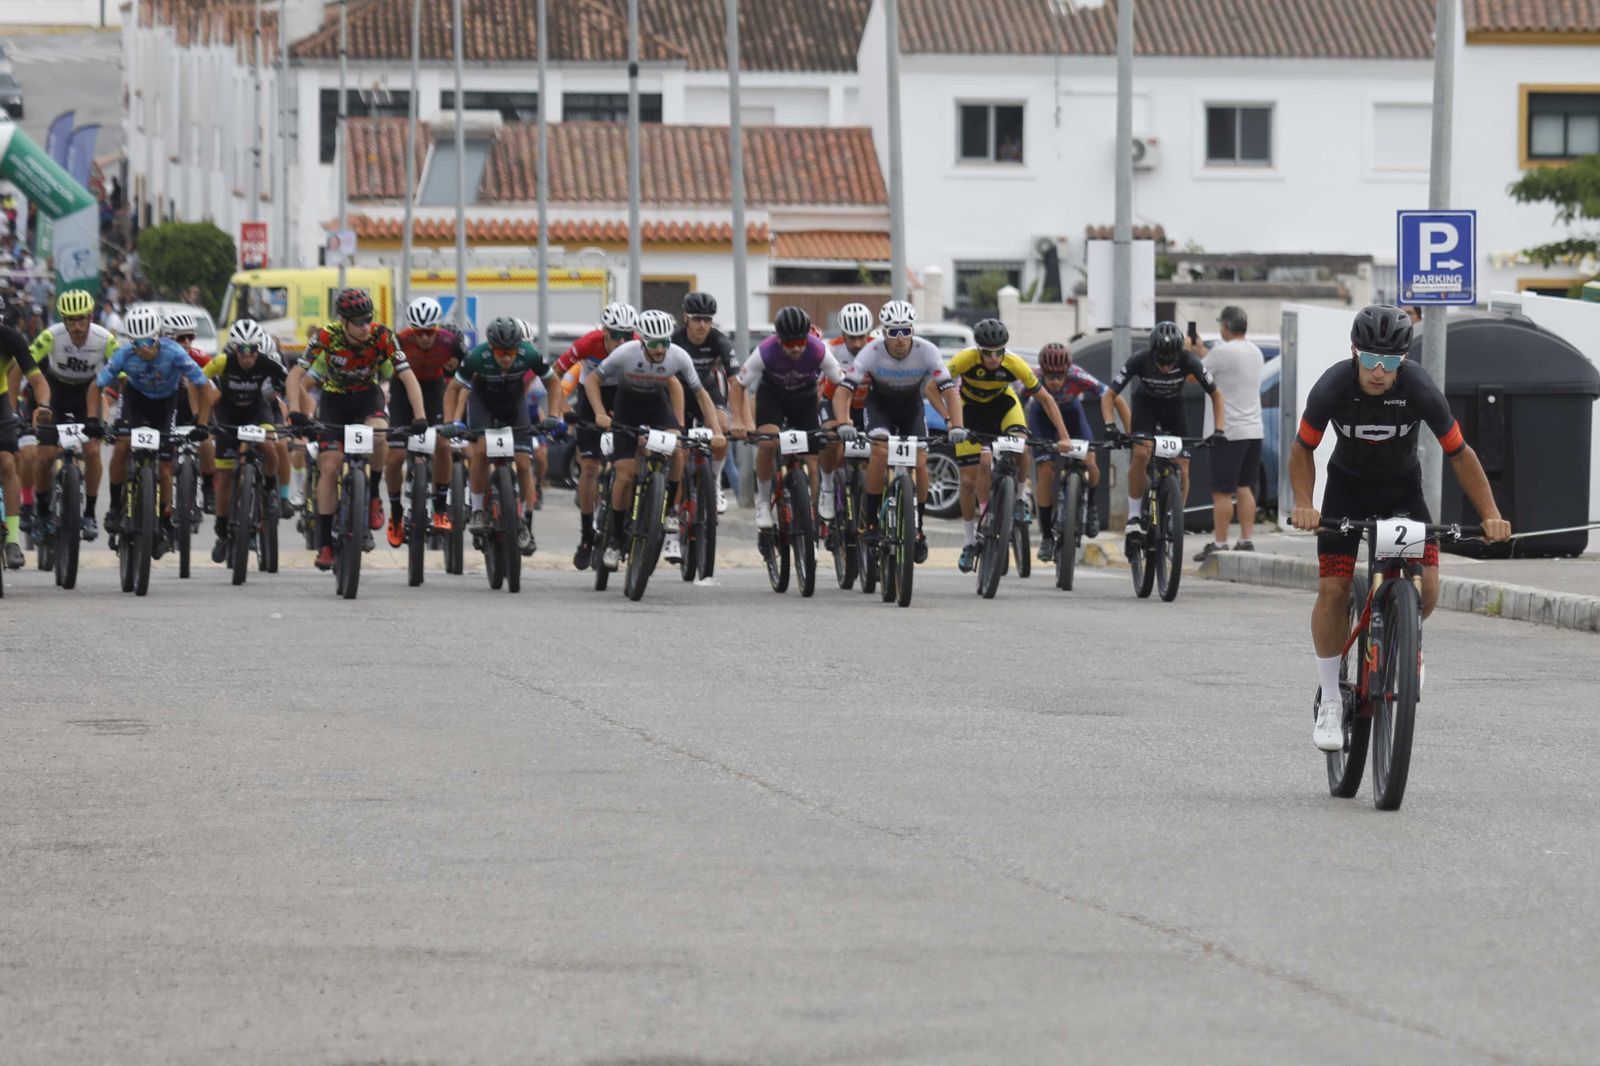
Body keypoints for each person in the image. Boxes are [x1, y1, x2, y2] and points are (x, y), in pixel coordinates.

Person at [1287, 305, 1510, 752]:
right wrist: (1305, 504)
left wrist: (1491, 513)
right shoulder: (1332, 386)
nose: (1377, 371)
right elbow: (1302, 449)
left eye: (1388, 362)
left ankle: (1405, 643)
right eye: (1369, 359)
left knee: (1428, 591)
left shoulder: (1419, 388)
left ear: (1403, 360)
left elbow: (1460, 453)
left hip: (1402, 492)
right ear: (1355, 352)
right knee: (1333, 589)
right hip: (1346, 491)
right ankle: (1330, 698)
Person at [287, 288, 426, 571]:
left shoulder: (382, 336)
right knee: (329, 467)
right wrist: (294, 411)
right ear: (343, 321)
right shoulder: (326, 336)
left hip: (367, 399)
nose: (365, 327)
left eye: (368, 320)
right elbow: (295, 375)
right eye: (359, 322)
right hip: (334, 402)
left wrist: (420, 415)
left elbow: (407, 375)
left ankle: (373, 494)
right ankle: (325, 544)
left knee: (379, 434)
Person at [585, 309, 724, 572]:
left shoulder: (678, 356)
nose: (660, 349)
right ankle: (615, 539)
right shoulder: (625, 353)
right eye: (654, 344)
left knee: (678, 449)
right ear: (642, 341)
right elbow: (593, 380)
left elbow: (702, 395)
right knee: (625, 475)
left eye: (664, 343)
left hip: (657, 407)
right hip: (627, 408)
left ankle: (670, 510)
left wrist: (716, 430)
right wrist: (600, 413)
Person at [831, 299, 964, 563]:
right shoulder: (871, 351)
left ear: (913, 330)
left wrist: (956, 424)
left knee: (921, 461)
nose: (900, 338)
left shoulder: (927, 351)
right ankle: (871, 523)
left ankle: (918, 528)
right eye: (893, 332)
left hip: (911, 409)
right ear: (884, 333)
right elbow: (844, 390)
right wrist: (844, 422)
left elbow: (949, 390)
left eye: (906, 330)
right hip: (879, 407)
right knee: (880, 452)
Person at [945, 318, 1074, 573]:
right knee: (970, 478)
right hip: (970, 411)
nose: (993, 358)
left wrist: (1064, 436)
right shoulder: (965, 359)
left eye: (998, 352)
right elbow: (937, 383)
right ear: (978, 350)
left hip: (1003, 406)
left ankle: (1020, 497)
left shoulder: (1014, 363)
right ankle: (970, 540)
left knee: (1022, 447)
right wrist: (950, 419)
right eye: (987, 353)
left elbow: (1046, 400)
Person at [95, 306, 212, 554]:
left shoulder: (174, 353)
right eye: (137, 343)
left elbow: (203, 385)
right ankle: (115, 507)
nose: (144, 348)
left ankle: (164, 520)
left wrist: (202, 424)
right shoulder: (124, 354)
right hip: (135, 401)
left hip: (165, 405)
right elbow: (97, 386)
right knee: (121, 447)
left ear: (158, 337)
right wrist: (93, 420)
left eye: (148, 341)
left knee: (167, 468)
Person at [1101, 321, 1227, 552]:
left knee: (1183, 465)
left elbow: (1216, 395)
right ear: (1153, 354)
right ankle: (1134, 516)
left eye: (1171, 362)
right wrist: (1110, 425)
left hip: (1174, 409)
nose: (1167, 368)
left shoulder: (1189, 361)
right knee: (1141, 453)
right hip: (1146, 407)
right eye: (1161, 362)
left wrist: (1219, 430)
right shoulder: (1139, 360)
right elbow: (1108, 396)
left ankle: (1174, 517)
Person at [445, 316, 565, 555]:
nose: (507, 358)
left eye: (511, 352)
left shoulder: (529, 354)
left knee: (523, 463)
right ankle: (478, 510)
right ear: (491, 347)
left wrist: (553, 414)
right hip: (483, 402)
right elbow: (454, 389)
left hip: (513, 403)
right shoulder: (477, 357)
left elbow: (553, 383)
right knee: (481, 451)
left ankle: (524, 521)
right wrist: (450, 422)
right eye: (501, 352)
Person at [727, 305, 846, 530]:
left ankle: (815, 510)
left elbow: (843, 385)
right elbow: (737, 387)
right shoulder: (765, 350)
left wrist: (843, 419)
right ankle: (763, 502)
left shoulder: (818, 349)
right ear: (779, 340)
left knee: (814, 457)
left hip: (805, 398)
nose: (797, 348)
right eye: (791, 344)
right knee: (767, 444)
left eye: (801, 342)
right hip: (773, 397)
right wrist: (739, 421)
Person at [550, 302, 638, 570]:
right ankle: (586, 536)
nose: (621, 342)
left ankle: (627, 517)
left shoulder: (638, 343)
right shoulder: (589, 343)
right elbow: (554, 374)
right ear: (604, 332)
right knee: (589, 468)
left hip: (623, 395)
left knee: (630, 465)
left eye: (627, 336)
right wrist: (563, 409)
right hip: (590, 396)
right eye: (615, 336)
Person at [1028, 341, 1130, 563]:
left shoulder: (1077, 375)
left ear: (1068, 371)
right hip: (1041, 418)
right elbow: (1015, 401)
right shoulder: (1032, 378)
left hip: (1072, 415)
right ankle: (1046, 536)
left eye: (1060, 376)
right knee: (1045, 470)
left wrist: (1129, 432)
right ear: (1042, 371)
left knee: (1090, 461)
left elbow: (1112, 396)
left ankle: (1090, 505)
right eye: (1050, 376)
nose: (1055, 381)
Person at [29, 289, 115, 541]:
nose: (77, 327)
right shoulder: (50, 336)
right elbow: (24, 363)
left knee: (92, 452)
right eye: (70, 320)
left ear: (91, 317)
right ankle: (42, 512)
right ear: (63, 320)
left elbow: (123, 374)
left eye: (82, 319)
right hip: (55, 394)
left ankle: (89, 513)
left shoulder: (105, 339)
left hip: (86, 396)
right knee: (44, 457)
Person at [204, 319, 288, 564]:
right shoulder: (223, 362)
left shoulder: (267, 362)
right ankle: (222, 531)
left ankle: (270, 490)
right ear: (234, 349)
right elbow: (199, 381)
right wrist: (204, 419)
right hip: (228, 416)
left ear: (258, 349)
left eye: (253, 350)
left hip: (257, 412)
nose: (248, 355)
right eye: (242, 350)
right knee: (225, 477)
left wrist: (280, 395)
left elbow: (288, 380)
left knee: (270, 445)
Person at [386, 296, 467, 546]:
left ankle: (440, 506)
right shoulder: (399, 341)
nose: (424, 338)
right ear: (411, 329)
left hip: (434, 391)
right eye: (418, 332)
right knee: (396, 456)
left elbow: (467, 374)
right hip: (402, 393)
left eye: (429, 332)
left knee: (443, 445)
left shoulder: (450, 342)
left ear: (437, 328)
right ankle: (396, 511)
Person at [1193, 306, 1265, 562]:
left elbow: (1196, 376)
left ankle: (1220, 542)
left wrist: (1192, 352)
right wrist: (1203, 352)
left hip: (1227, 431)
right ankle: (1245, 539)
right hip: (1253, 429)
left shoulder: (1222, 352)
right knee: (1245, 487)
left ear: (1225, 325)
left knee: (1222, 491)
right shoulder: (1255, 352)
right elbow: (1224, 368)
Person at [672, 292, 736, 514]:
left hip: (706, 392)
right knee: (680, 453)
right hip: (679, 394)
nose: (702, 325)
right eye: (697, 319)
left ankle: (715, 481)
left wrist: (741, 419)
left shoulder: (718, 340)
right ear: (685, 318)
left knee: (723, 427)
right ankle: (675, 506)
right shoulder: (675, 339)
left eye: (707, 319)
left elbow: (736, 381)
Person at [816, 301, 875, 523]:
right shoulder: (829, 350)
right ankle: (827, 487)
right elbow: (817, 388)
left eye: (862, 337)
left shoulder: (878, 348)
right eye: (852, 338)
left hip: (865, 406)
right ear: (843, 334)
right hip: (833, 402)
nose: (858, 343)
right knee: (832, 442)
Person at [0, 319, 52, 569]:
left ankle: (12, 541)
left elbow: (38, 381)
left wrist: (43, 406)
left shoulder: (10, 338)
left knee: (7, 462)